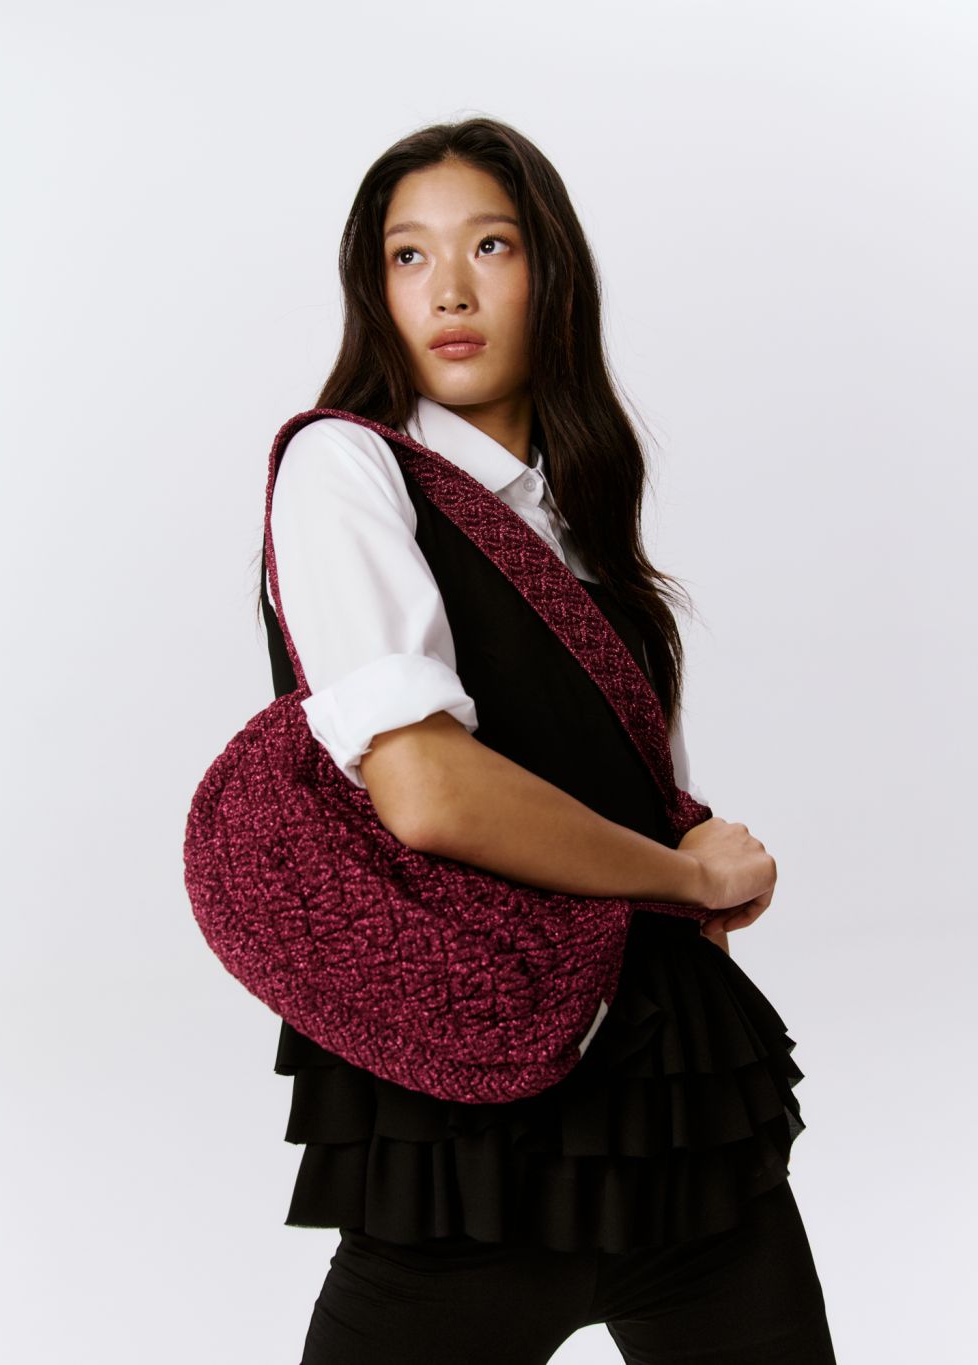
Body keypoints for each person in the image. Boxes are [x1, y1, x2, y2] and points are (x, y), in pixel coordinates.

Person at [259, 117, 838, 1364]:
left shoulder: (579, 525)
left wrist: (698, 855)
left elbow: (611, 800)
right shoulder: (346, 467)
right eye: (407, 256)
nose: (449, 290)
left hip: (677, 1116)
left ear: (550, 274)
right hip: (473, 1132)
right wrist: (685, 876)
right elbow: (425, 790)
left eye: (490, 246)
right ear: (372, 289)